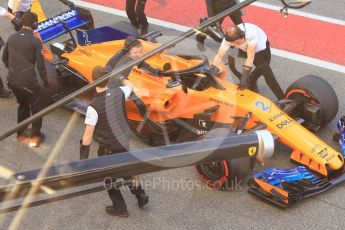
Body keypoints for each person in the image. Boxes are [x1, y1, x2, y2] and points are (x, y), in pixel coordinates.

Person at [80, 66, 149, 217]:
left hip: (108, 148)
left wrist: (82, 161)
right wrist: (121, 78)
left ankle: (120, 208)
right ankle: (140, 194)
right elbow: (130, 87)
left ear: (93, 81)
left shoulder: (93, 107)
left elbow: (87, 137)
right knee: (129, 171)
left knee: (109, 179)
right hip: (123, 141)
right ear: (107, 80)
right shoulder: (119, 92)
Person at [2, 12, 49, 147]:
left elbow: (4, 58)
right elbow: (41, 67)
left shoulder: (12, 37)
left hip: (12, 81)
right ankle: (35, 138)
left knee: (23, 105)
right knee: (37, 108)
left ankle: (20, 134)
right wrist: (46, 82)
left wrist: (13, 69)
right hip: (28, 83)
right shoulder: (35, 41)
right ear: (35, 24)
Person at [211, 23, 285, 100]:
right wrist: (212, 71)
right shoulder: (228, 40)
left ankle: (250, 82)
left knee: (262, 68)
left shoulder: (250, 36)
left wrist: (244, 79)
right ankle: (282, 99)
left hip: (262, 45)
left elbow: (250, 58)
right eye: (233, 43)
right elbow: (219, 56)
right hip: (249, 50)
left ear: (242, 36)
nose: (235, 44)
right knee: (267, 71)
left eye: (237, 42)